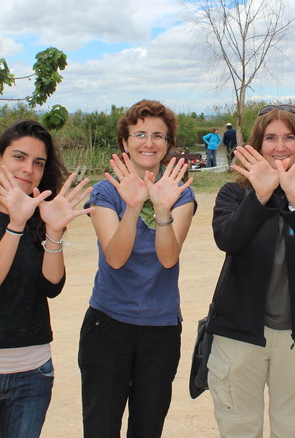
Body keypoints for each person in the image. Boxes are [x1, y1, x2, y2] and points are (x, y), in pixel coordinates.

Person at [0, 119, 93, 438]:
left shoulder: (42, 215)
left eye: (38, 162)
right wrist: (15, 224)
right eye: (19, 157)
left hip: (33, 372)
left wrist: (53, 231)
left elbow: (51, 286)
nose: (29, 168)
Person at [206, 104, 295, 438]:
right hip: (239, 331)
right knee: (239, 428)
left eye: (289, 137)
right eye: (271, 138)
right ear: (257, 145)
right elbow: (229, 240)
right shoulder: (234, 193)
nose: (280, 146)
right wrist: (260, 196)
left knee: (291, 427)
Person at [78, 99, 197, 438]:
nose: (149, 143)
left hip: (159, 327)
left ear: (168, 145)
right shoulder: (105, 192)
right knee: (101, 426)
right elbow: (115, 257)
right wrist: (132, 207)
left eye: (158, 136)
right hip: (108, 323)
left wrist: (161, 207)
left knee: (147, 427)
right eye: (140, 134)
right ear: (125, 142)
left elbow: (168, 257)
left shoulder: (180, 195)